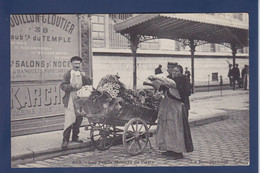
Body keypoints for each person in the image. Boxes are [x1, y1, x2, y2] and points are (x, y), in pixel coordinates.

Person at [149, 63, 193, 160]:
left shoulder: (182, 80)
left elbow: (175, 86)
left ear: (180, 72)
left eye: (176, 71)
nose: (174, 73)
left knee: (176, 129)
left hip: (177, 108)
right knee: (168, 128)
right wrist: (154, 81)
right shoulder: (170, 79)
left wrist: (157, 77)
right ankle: (169, 149)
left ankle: (178, 151)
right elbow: (163, 87)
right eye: (173, 71)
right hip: (168, 107)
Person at [60, 56, 92, 149]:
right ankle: (65, 140)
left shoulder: (83, 74)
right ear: (72, 64)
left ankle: (75, 137)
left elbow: (89, 83)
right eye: (75, 64)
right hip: (70, 98)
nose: (77, 65)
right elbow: (62, 86)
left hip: (80, 98)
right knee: (69, 119)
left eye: (78, 63)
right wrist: (71, 86)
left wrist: (84, 76)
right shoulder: (68, 74)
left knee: (79, 119)